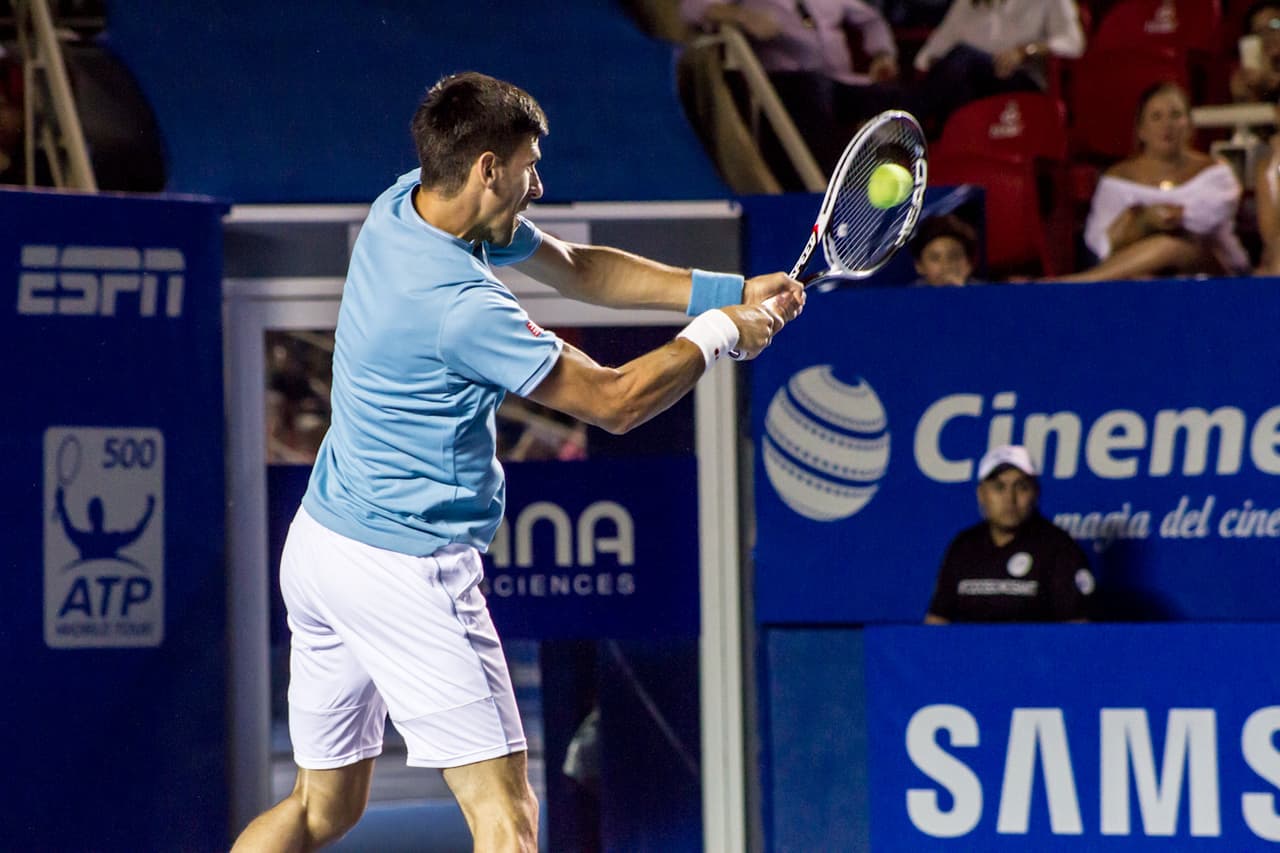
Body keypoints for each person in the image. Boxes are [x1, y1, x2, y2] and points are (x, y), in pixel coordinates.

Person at [229, 72, 803, 853]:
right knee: (508, 815)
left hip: (323, 545)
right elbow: (616, 400)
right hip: (408, 567)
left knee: (319, 809)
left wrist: (726, 289)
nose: (540, 182)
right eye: (531, 165)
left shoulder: (403, 206)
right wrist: (721, 334)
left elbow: (579, 267)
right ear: (487, 169)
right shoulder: (461, 306)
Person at [679, 0, 908, 175]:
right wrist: (742, 16)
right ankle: (833, 184)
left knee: (895, 99)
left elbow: (870, 20)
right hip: (789, 85)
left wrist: (883, 54)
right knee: (812, 90)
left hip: (843, 82)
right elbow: (691, 8)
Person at [1057, 81, 1250, 283]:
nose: (1167, 125)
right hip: (1136, 274)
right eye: (1156, 117)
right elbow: (1101, 244)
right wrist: (1144, 222)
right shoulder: (1118, 178)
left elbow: (1199, 228)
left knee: (1171, 247)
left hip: (1213, 271)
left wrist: (1141, 221)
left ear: (1189, 125)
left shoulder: (1215, 173)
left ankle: (1074, 284)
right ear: (1141, 129)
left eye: (1175, 115)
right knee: (1144, 272)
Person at [925, 445, 1095, 623]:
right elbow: (937, 621)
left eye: (1021, 487)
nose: (1010, 499)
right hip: (971, 651)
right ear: (981, 494)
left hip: (1037, 651)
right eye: (999, 487)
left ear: (1036, 493)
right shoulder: (964, 547)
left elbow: (1078, 632)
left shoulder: (1059, 549)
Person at [912, 0, 1085, 134]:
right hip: (971, 82)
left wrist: (1025, 51)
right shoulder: (968, 3)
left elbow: (1073, 43)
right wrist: (943, 68)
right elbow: (927, 56)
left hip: (1022, 83)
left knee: (963, 59)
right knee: (960, 65)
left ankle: (907, 127)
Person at [1229, 2, 1280, 104]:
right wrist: (1249, 95)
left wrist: (1273, 83)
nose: (1267, 36)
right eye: (1259, 32)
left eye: (1274, 25)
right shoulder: (1250, 76)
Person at [908, 213, 980, 285]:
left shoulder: (987, 293)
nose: (946, 266)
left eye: (954, 257)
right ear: (919, 265)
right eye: (935, 258)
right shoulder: (907, 295)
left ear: (969, 263)